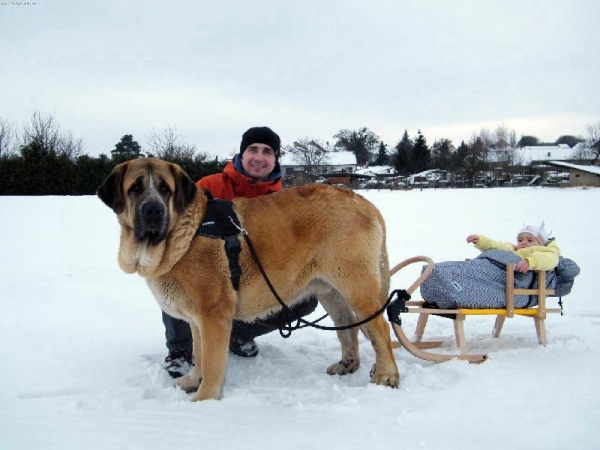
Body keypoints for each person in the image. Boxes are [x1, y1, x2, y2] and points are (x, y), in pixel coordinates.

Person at [163, 126, 319, 377]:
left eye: (267, 152)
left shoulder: (284, 201)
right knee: (178, 279)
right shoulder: (208, 187)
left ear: (275, 159)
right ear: (241, 153)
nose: (259, 157)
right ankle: (180, 350)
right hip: (207, 274)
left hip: (251, 275)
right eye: (253, 149)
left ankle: (238, 333)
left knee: (307, 297)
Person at [466, 221, 560, 274]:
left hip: (517, 282)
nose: (524, 243)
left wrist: (529, 261)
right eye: (520, 240)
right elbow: (497, 246)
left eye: (529, 240)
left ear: (541, 244)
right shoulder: (513, 249)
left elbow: (551, 259)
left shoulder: (544, 251)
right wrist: (481, 241)